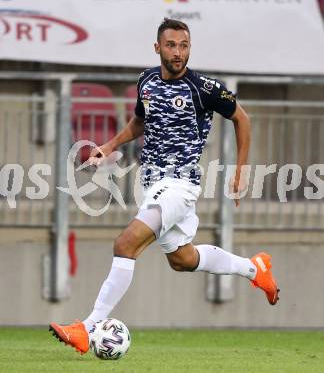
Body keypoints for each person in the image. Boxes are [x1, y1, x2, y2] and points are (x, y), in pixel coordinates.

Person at [49, 18, 279, 354]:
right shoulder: (147, 81)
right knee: (183, 259)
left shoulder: (204, 88)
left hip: (179, 186)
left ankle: (88, 327)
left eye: (184, 45)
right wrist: (110, 146)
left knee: (125, 243)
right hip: (151, 184)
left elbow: (242, 118)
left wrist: (240, 170)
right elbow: (140, 121)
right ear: (157, 47)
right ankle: (254, 269)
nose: (178, 52)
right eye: (171, 45)